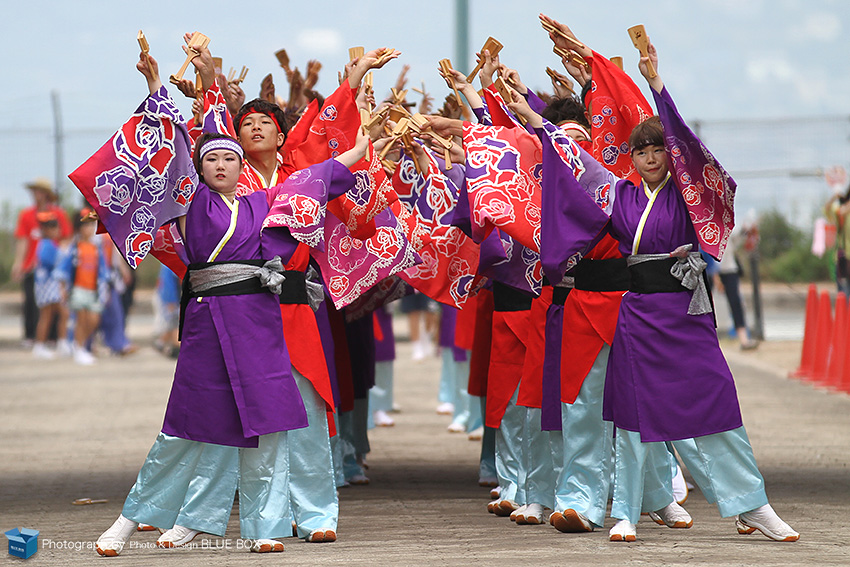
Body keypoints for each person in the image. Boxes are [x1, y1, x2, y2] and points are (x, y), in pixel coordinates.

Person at [510, 37, 798, 543]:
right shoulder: (618, 194)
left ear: (671, 154)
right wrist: (536, 123)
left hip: (685, 313)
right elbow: (575, 162)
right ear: (631, 157)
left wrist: (655, 84)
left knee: (716, 402)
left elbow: (691, 150)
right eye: (639, 151)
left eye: (657, 149)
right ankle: (625, 511)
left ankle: (752, 504)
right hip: (637, 313)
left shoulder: (688, 194)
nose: (648, 158)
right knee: (633, 415)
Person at [86, 46, 367, 556]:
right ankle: (129, 521)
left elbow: (319, 176)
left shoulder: (266, 199)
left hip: (259, 324)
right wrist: (157, 88)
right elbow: (171, 143)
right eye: (211, 157)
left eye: (228, 158)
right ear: (199, 167)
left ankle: (264, 529)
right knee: (185, 429)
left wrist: (355, 146)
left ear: (241, 165)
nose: (220, 164)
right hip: (208, 324)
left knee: (269, 430)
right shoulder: (193, 198)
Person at [12, 178, 72, 348]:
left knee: (55, 306)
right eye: (34, 191)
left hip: (54, 267)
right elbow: (23, 240)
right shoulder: (26, 214)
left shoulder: (59, 214)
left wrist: (62, 259)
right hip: (32, 266)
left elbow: (66, 238)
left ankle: (53, 337)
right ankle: (31, 335)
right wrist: (19, 263)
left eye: (39, 191)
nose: (35, 194)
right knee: (31, 302)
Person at [54, 209, 108, 366]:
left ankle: (81, 344)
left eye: (92, 226)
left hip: (93, 290)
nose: (89, 229)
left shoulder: (97, 248)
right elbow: (64, 269)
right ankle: (79, 348)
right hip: (78, 288)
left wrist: (105, 287)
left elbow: (103, 270)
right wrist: (63, 288)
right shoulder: (75, 247)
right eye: (86, 226)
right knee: (81, 319)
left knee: (93, 319)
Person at [31, 212, 70, 359]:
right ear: (45, 230)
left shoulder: (51, 245)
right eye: (51, 227)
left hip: (52, 285)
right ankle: (40, 345)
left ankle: (62, 342)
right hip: (47, 285)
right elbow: (53, 263)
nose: (55, 230)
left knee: (61, 313)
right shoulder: (46, 246)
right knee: (47, 315)